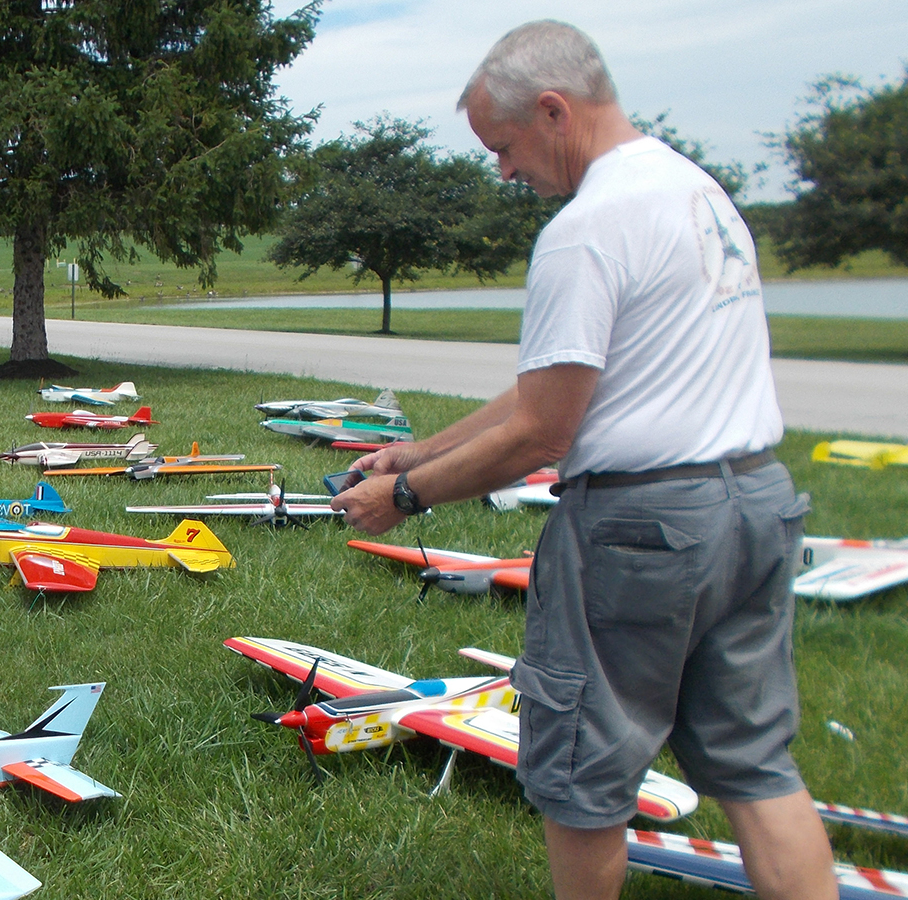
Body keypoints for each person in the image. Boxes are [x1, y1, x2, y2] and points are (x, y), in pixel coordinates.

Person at [329, 21, 835, 900]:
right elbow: (555, 393)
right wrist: (424, 446)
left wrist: (404, 496)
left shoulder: (587, 226)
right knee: (756, 768)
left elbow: (542, 435)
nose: (504, 171)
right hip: (755, 504)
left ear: (554, 110)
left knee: (583, 782)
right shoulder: (697, 192)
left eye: (506, 146)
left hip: (642, 531)